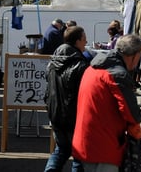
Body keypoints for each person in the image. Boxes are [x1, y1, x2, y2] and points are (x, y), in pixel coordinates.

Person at [72, 34, 141, 172]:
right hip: (103, 144)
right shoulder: (117, 74)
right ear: (135, 55)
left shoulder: (93, 68)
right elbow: (132, 114)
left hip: (85, 139)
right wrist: (136, 123)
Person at [44, 26, 90, 172]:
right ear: (77, 41)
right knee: (79, 154)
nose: (86, 41)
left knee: (62, 149)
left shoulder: (52, 63)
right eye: (84, 39)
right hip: (73, 116)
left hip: (55, 113)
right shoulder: (80, 64)